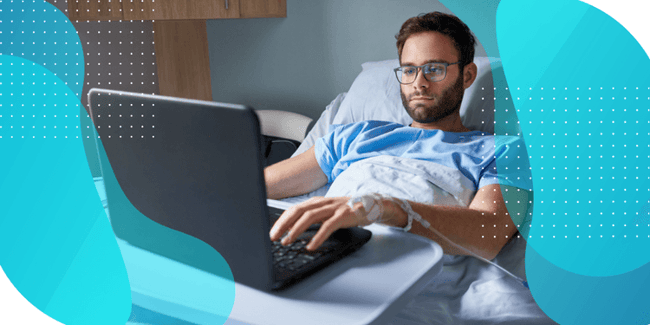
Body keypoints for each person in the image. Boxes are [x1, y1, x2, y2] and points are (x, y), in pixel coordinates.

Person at [264, 12, 531, 261]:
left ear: (467, 75)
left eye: (434, 69)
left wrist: (390, 209)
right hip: (325, 257)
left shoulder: (500, 151)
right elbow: (259, 187)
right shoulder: (356, 135)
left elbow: (489, 235)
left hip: (411, 271)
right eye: (409, 70)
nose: (419, 82)